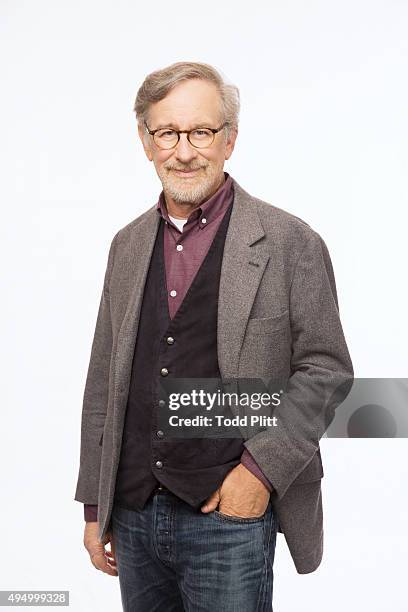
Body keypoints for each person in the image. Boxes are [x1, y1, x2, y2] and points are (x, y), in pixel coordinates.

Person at [74, 61, 353, 611]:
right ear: (145, 141)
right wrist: (93, 506)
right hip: (132, 516)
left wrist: (259, 474)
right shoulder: (125, 246)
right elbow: (102, 384)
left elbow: (327, 372)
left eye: (201, 132)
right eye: (167, 133)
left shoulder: (290, 242)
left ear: (229, 140)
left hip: (230, 518)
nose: (184, 151)